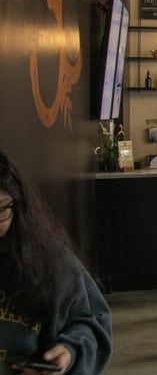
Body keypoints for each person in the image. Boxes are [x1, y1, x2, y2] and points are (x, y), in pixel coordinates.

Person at [0, 151, 112, 374]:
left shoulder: (51, 261)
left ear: (18, 205)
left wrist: (70, 350)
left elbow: (90, 322)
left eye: (0, 209)